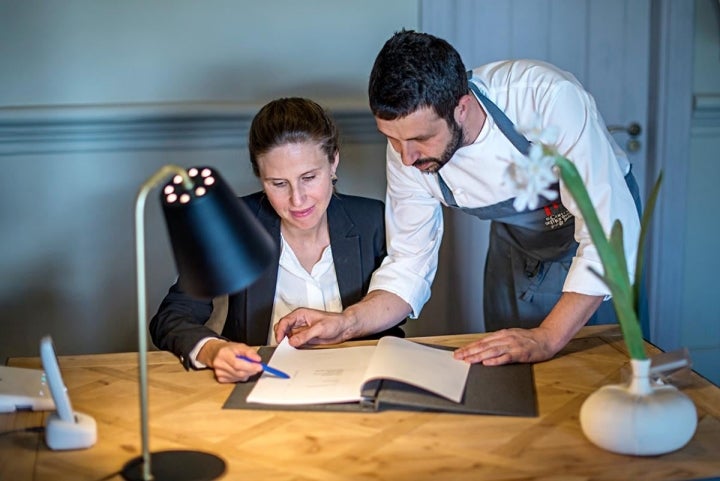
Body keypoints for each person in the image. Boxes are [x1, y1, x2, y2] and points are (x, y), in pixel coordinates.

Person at [274, 30, 641, 366]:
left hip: (599, 234)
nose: (406, 157)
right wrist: (346, 323)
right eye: (392, 138)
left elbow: (608, 233)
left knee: (595, 364)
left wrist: (547, 337)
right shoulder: (407, 149)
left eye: (420, 139)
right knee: (509, 360)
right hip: (518, 241)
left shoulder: (544, 97)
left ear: (461, 108)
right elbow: (408, 266)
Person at [150, 97, 403, 383]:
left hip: (359, 387)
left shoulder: (372, 220)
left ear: (333, 162)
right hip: (262, 387)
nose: (297, 199)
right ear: (260, 177)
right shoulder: (235, 223)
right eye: (279, 184)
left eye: (308, 177)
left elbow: (393, 320)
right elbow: (171, 318)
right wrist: (214, 350)